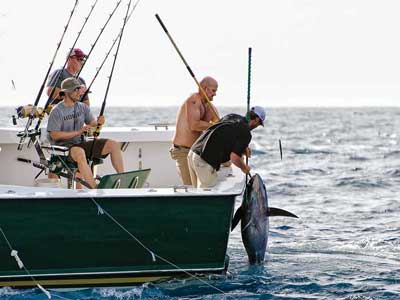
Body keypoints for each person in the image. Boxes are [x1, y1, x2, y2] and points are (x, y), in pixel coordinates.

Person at [47, 77, 124, 188]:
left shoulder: (83, 107)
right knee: (80, 152)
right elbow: (54, 135)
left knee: (114, 144)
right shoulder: (56, 111)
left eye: (79, 89)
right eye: (76, 89)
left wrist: (99, 123)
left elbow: (92, 125)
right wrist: (78, 132)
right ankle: (95, 188)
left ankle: (122, 179)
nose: (79, 92)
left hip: (81, 143)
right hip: (64, 148)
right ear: (67, 92)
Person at [187, 106, 266, 188]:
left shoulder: (232, 116)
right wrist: (244, 168)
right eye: (259, 123)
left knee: (196, 193)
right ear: (256, 120)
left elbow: (223, 137)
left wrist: (243, 148)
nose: (257, 126)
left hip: (193, 152)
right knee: (208, 195)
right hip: (203, 160)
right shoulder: (246, 133)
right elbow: (234, 158)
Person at [170, 76, 219, 186]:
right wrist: (213, 125)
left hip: (196, 152)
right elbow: (194, 125)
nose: (215, 94)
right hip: (182, 151)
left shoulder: (208, 106)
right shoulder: (193, 101)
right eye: (213, 90)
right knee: (191, 188)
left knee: (201, 186)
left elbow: (219, 126)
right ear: (205, 89)